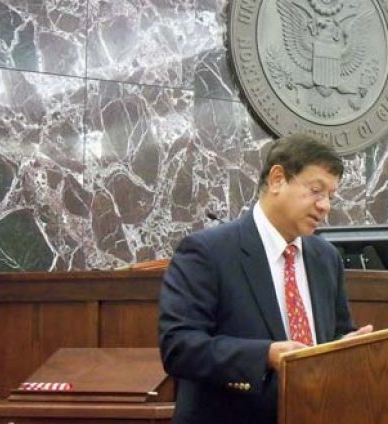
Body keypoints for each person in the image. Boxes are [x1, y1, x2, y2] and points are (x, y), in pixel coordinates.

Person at [158, 134, 373, 424]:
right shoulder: (208, 252)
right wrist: (265, 355)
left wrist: (346, 346)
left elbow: (333, 336)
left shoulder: (326, 258)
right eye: (316, 190)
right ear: (276, 179)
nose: (325, 206)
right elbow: (179, 347)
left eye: (330, 197)